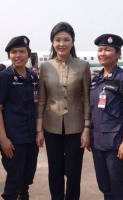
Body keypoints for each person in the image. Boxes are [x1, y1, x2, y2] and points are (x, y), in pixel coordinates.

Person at [36, 22, 91, 200]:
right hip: (51, 127)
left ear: (73, 42)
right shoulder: (45, 67)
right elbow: (42, 100)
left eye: (66, 39)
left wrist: (87, 127)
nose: (62, 43)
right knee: (55, 171)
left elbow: (87, 98)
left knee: (73, 172)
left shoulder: (83, 66)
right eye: (57, 39)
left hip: (76, 127)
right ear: (52, 42)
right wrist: (39, 130)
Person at [90, 34, 123, 199]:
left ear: (118, 54)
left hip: (116, 144)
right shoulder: (96, 80)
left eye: (107, 50)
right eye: (100, 50)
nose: (102, 53)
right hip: (97, 143)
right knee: (104, 186)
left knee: (118, 187)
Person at [0, 35, 39, 200]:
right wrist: (3, 139)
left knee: (27, 176)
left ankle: (24, 196)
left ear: (28, 54)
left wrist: (39, 133)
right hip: (13, 138)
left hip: (31, 136)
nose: (18, 55)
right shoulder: (3, 78)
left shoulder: (33, 77)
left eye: (22, 51)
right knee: (14, 177)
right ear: (9, 55)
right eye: (14, 52)